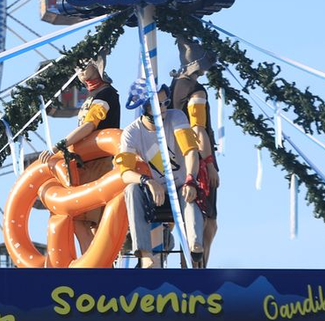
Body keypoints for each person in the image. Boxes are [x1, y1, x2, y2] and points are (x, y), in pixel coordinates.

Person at [115, 79, 204, 268]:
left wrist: (190, 179)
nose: (163, 108)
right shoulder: (132, 133)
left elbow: (190, 151)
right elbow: (125, 173)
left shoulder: (177, 117)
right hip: (155, 193)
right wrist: (147, 181)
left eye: (165, 103)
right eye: (157, 104)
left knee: (188, 194)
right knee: (131, 190)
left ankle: (195, 243)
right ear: (144, 107)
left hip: (180, 186)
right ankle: (145, 254)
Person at [44, 59, 122, 254]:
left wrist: (58, 146)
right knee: (88, 221)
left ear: (97, 66)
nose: (78, 70)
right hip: (85, 163)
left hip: (96, 163)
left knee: (82, 219)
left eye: (83, 65)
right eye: (76, 67)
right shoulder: (94, 95)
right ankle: (98, 266)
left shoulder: (105, 94)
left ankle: (94, 268)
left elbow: (89, 126)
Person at [169, 72, 220, 262]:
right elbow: (198, 128)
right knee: (208, 222)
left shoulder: (173, 87)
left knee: (186, 219)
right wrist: (209, 163)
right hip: (197, 160)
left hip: (175, 159)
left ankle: (189, 268)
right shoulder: (195, 90)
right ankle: (197, 269)